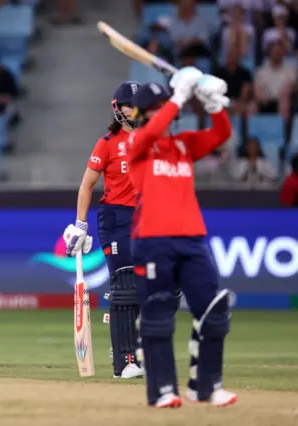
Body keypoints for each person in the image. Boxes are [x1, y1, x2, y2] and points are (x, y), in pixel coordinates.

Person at [127, 67, 237, 408]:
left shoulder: (184, 145)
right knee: (158, 315)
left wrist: (214, 105)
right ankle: (162, 390)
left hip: (192, 239)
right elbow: (154, 130)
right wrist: (178, 97)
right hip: (152, 239)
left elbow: (222, 134)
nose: (166, 113)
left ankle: (206, 387)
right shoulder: (136, 144)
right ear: (144, 114)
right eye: (158, 107)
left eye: (168, 106)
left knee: (214, 312)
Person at [63, 82, 145, 380]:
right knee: (124, 285)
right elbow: (87, 184)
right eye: (129, 105)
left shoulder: (152, 139)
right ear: (117, 108)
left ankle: (132, 345)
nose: (135, 110)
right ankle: (123, 361)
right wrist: (81, 223)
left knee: (161, 287)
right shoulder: (107, 143)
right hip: (116, 218)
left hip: (147, 218)